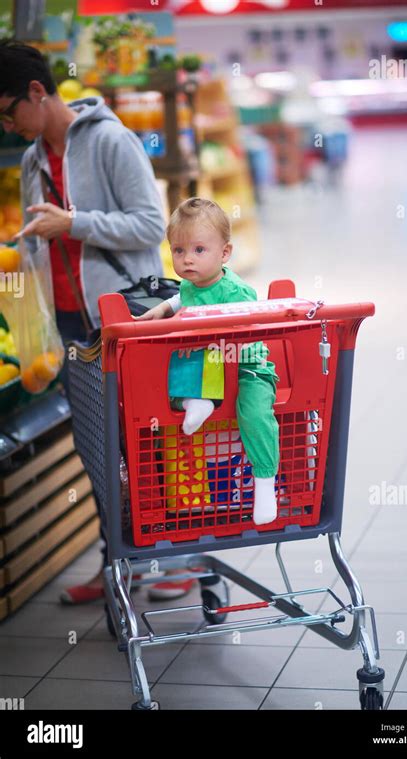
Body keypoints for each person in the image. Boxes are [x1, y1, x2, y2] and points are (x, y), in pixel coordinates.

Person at [0, 40, 192, 602]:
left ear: (37, 92)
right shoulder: (35, 159)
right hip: (69, 325)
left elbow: (151, 225)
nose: (8, 126)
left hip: (127, 318)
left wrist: (76, 222)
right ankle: (120, 568)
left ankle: (177, 560)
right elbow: (49, 234)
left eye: (8, 111)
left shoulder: (111, 140)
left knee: (149, 445)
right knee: (98, 451)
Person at [136, 197, 280, 530]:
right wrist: (164, 309)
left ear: (224, 254)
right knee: (177, 355)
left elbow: (250, 328)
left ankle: (264, 486)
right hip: (207, 363)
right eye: (178, 250)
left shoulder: (236, 291)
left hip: (247, 367)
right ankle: (195, 400)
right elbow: (183, 295)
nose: (186, 260)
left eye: (199, 250)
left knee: (256, 412)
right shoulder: (190, 283)